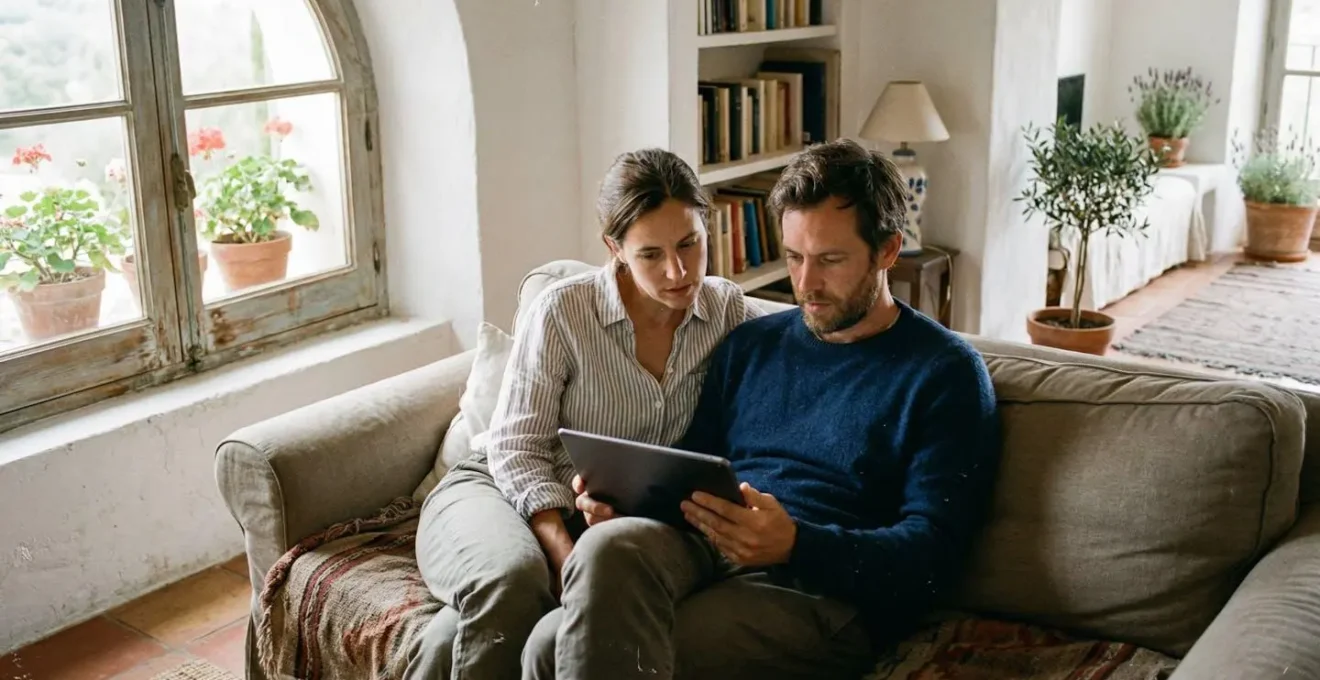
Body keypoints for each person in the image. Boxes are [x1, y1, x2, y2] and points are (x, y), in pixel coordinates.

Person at [521, 139, 1002, 680]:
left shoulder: (945, 374)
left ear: (888, 251)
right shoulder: (751, 344)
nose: (805, 284)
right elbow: (692, 467)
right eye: (795, 257)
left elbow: (935, 556)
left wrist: (796, 543)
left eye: (831, 260)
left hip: (822, 590)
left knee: (558, 651)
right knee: (598, 559)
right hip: (706, 546)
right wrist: (628, 499)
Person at [407, 148, 763, 680]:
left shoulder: (728, 312)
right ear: (614, 248)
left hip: (606, 520)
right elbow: (515, 448)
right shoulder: (563, 311)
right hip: (497, 488)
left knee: (447, 641)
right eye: (651, 254)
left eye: (690, 243)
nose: (678, 271)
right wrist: (563, 551)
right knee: (512, 581)